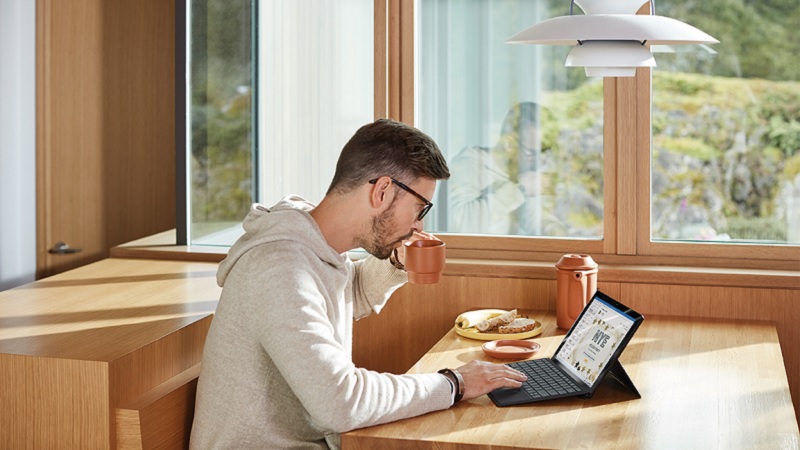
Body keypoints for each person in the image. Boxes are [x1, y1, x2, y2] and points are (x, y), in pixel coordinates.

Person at [189, 118, 527, 449]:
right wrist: (452, 383)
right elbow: (340, 402)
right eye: (420, 209)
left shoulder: (315, 242)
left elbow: (348, 293)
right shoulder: (278, 268)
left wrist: (397, 262)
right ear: (382, 191)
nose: (420, 226)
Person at [448, 102, 556, 235]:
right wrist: (520, 189)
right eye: (533, 154)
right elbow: (460, 226)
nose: (540, 163)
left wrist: (558, 232)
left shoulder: (516, 169)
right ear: (509, 144)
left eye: (546, 154)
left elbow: (535, 219)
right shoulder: (468, 165)